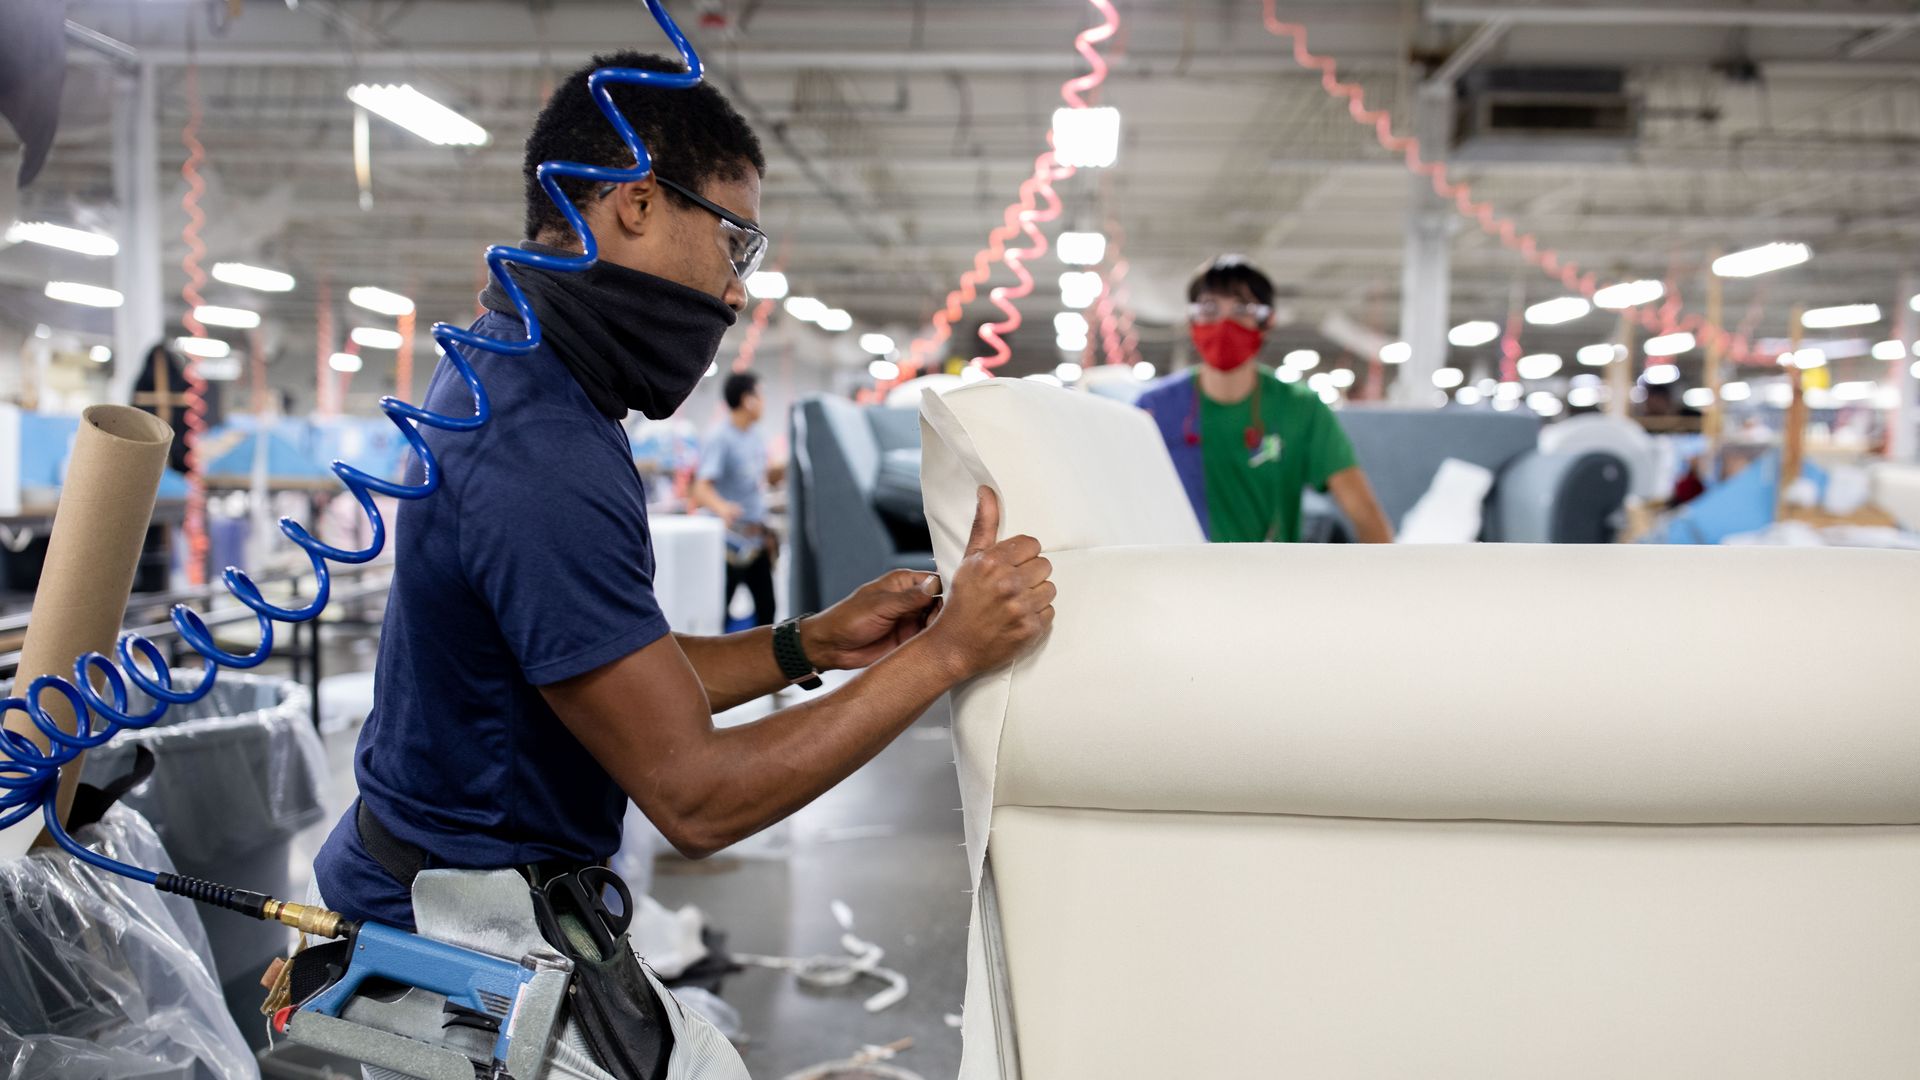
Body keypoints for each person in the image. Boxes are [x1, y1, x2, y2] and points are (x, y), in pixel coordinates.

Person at [311, 49, 1054, 1038]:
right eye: (735, 243)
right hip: (449, 947)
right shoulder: (538, 449)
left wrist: (811, 646)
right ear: (633, 203)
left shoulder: (530, 378)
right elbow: (697, 798)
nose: (737, 294)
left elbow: (625, 675)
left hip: (480, 900)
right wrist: (950, 653)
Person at [1137, 255, 1393, 543]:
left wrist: (1388, 582)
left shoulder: (1300, 408)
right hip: (1179, 577)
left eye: (1242, 308)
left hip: (1272, 578)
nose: (1224, 322)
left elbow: (1363, 511)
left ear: (1267, 321)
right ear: (1190, 320)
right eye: (1209, 308)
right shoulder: (1153, 410)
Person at [690, 370, 777, 628]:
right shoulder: (720, 437)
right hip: (730, 544)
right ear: (747, 399)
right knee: (720, 609)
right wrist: (723, 508)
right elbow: (700, 488)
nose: (763, 403)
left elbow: (762, 476)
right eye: (760, 396)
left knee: (767, 610)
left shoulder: (756, 435)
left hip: (756, 538)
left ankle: (765, 666)